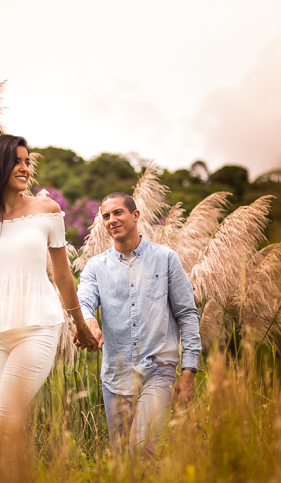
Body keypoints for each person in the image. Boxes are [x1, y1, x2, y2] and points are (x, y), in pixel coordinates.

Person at [0, 135, 98, 478]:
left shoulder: (46, 211)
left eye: (27, 161)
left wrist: (79, 325)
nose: (24, 167)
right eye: (17, 161)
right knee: (1, 420)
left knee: (2, 415)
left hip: (37, 327)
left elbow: (63, 276)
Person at [76, 192, 201, 457]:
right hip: (115, 378)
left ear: (135, 215)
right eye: (106, 216)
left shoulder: (166, 259)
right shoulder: (95, 267)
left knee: (141, 449)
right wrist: (88, 322)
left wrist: (189, 371)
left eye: (118, 212)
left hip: (158, 371)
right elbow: (84, 301)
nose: (111, 220)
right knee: (123, 461)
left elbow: (187, 314)